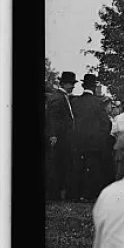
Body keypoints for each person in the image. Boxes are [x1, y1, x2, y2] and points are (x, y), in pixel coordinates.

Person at [72, 74, 112, 200]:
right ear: (94, 87)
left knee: (78, 167)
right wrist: (101, 138)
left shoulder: (75, 102)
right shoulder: (98, 103)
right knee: (93, 167)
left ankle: (76, 194)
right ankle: (90, 194)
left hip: (77, 140)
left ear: (83, 86)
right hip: (94, 142)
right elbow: (106, 123)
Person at [45, 71, 77, 200]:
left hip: (64, 137)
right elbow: (52, 118)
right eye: (71, 84)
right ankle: (55, 194)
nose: (73, 87)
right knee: (57, 165)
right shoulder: (58, 98)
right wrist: (53, 135)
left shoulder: (63, 97)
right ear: (64, 83)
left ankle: (57, 193)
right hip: (60, 138)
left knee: (61, 164)